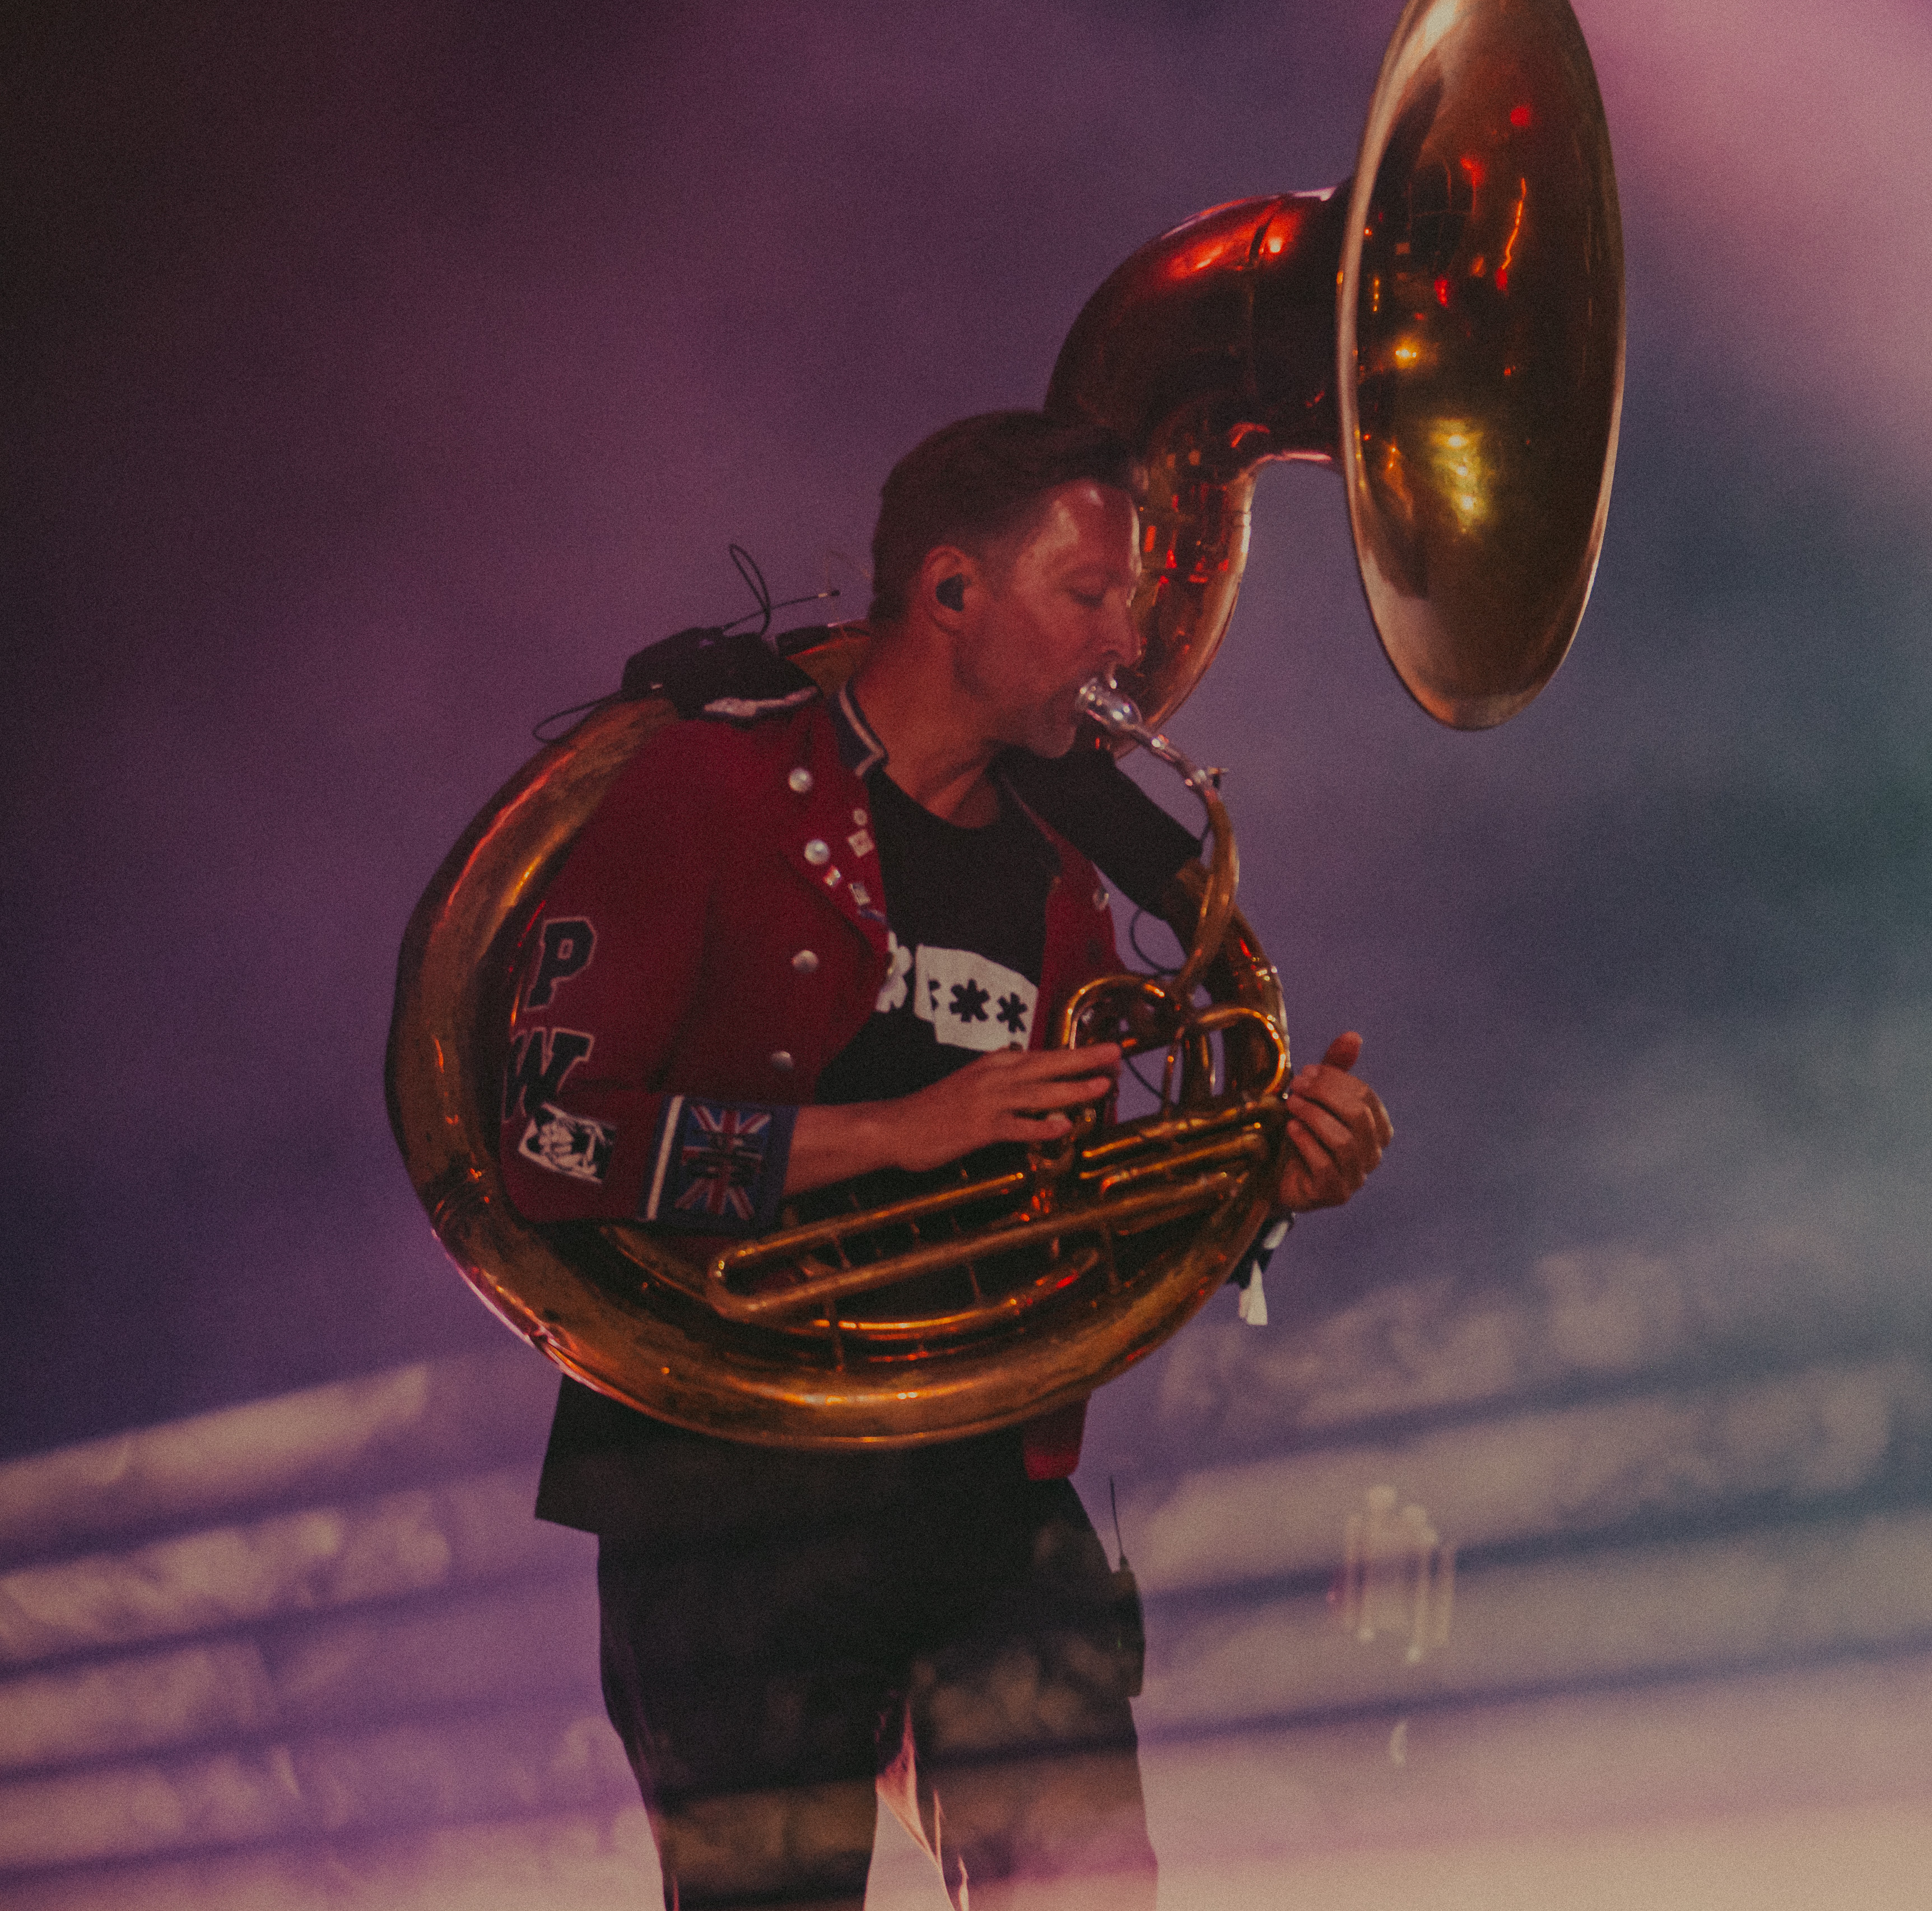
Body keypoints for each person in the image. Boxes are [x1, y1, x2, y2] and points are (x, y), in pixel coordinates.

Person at [497, 410, 1394, 1909]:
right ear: (953, 594)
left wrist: (1261, 1185)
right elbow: (545, 1136)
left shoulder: (1060, 884)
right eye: (1090, 597)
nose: (1127, 642)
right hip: (730, 1488)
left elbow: (1071, 1209)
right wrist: (890, 1136)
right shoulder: (701, 796)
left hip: (985, 1474)